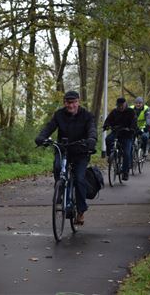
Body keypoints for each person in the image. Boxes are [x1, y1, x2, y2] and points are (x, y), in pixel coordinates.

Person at [35, 91, 97, 225]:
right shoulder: (59, 114)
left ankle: (80, 211)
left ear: (78, 102)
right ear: (64, 103)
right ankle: (61, 190)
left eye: (74, 102)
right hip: (63, 149)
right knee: (58, 167)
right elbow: (49, 127)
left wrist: (91, 139)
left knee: (79, 179)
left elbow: (92, 128)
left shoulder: (87, 115)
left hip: (81, 151)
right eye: (68, 103)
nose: (71, 105)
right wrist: (41, 137)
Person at [103, 97, 137, 181]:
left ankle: (125, 173)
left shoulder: (131, 112)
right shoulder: (114, 112)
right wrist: (106, 125)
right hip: (116, 132)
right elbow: (108, 120)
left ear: (125, 104)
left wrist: (131, 128)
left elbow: (134, 122)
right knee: (108, 139)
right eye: (119, 105)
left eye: (122, 105)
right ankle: (110, 155)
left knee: (126, 153)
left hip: (127, 134)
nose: (120, 107)